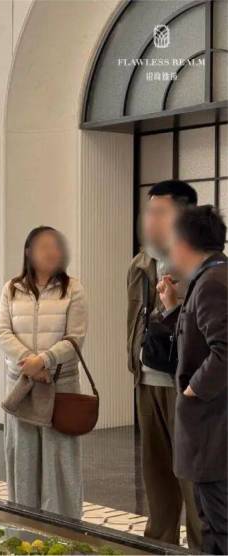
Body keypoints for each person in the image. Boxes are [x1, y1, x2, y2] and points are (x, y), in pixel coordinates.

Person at [126, 180, 200, 547]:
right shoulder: (142, 264)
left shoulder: (203, 265)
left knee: (193, 476)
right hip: (147, 379)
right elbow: (133, 319)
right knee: (155, 474)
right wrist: (133, 362)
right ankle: (158, 543)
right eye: (149, 211)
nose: (151, 219)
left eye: (161, 211)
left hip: (187, 386)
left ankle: (204, 545)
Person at [0, 226, 87, 519]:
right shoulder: (11, 288)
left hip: (61, 388)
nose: (51, 252)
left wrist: (45, 361)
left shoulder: (73, 288)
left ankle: (65, 531)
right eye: (43, 246)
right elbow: (1, 333)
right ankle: (25, 528)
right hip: (22, 387)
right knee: (23, 461)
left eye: (55, 246)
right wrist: (30, 364)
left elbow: (75, 338)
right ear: (28, 252)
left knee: (60, 463)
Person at [159, 205, 227, 555]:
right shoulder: (212, 277)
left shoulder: (213, 283)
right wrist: (174, 309)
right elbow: (197, 339)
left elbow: (225, 350)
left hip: (215, 430)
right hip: (212, 431)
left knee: (219, 526)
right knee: (211, 524)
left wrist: (193, 388)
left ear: (185, 243)